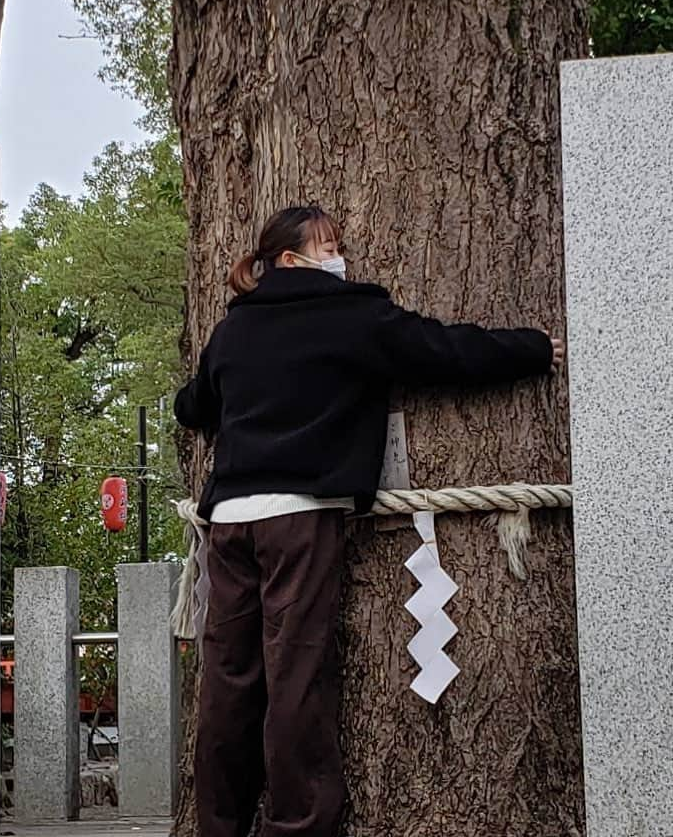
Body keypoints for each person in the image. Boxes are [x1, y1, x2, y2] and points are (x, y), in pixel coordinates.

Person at [174, 205, 564, 837]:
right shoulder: (350, 316)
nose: (339, 255)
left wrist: (193, 404)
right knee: (295, 681)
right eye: (327, 245)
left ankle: (219, 827)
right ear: (291, 259)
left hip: (231, 522)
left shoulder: (232, 332)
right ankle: (296, 828)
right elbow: (442, 349)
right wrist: (528, 349)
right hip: (299, 520)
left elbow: (196, 403)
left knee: (229, 683)